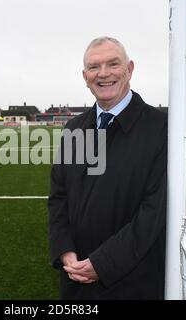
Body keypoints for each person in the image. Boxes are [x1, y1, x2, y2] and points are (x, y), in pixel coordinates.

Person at [48, 36, 167, 300]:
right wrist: (64, 250)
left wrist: (103, 264)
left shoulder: (162, 128)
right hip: (76, 280)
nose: (103, 74)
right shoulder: (73, 129)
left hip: (135, 283)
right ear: (85, 75)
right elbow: (59, 198)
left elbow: (154, 212)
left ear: (130, 69)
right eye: (94, 67)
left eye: (113, 64)